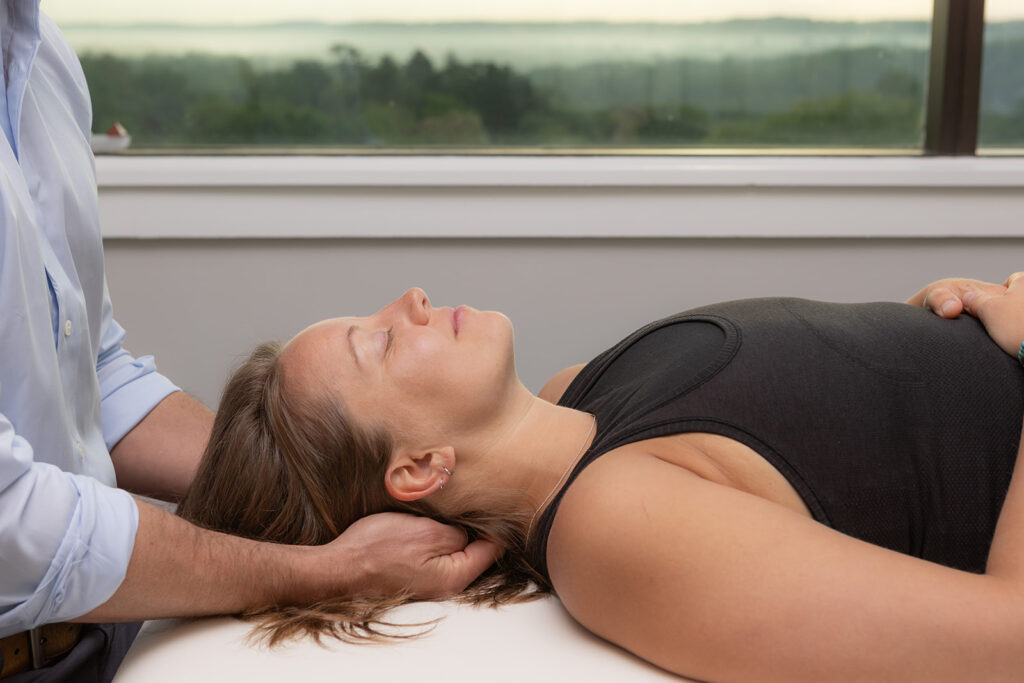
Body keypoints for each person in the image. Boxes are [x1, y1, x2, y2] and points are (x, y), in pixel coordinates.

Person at [178, 275, 1024, 680]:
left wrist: (927, 336)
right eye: (385, 341)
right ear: (419, 469)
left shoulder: (581, 391)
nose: (413, 298)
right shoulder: (611, 526)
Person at [0, 4, 496, 681]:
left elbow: (92, 377)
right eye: (374, 342)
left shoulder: (37, 57)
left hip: (100, 633)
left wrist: (318, 478)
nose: (414, 299)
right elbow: (11, 523)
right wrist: (327, 570)